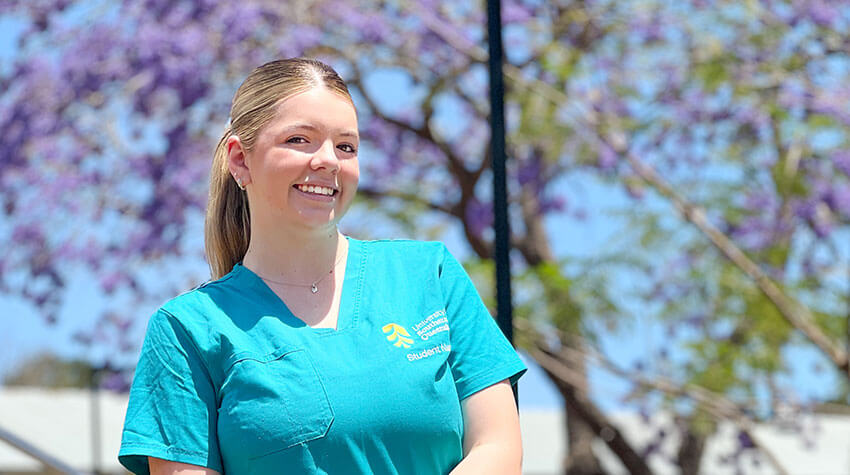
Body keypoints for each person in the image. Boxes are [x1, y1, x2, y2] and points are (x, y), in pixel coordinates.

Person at [118, 58, 526, 475]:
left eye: (346, 146)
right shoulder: (186, 331)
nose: (329, 160)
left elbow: (497, 445)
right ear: (240, 160)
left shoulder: (429, 275)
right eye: (300, 139)